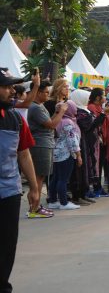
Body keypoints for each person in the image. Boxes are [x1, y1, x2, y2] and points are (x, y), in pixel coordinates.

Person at [0, 68, 39, 293]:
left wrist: (34, 188)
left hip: (9, 192)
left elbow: (23, 153)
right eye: (5, 87)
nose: (11, 91)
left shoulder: (15, 118)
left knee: (6, 245)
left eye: (11, 86)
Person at [25, 80, 64, 218]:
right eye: (46, 92)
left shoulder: (39, 106)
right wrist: (62, 112)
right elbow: (51, 125)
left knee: (39, 177)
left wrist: (57, 112)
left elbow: (48, 122)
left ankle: (35, 207)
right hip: (40, 144)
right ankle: (34, 209)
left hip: (44, 143)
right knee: (37, 179)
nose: (48, 95)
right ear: (39, 92)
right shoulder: (35, 108)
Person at [48, 100, 82, 210]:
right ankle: (64, 202)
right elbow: (72, 140)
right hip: (66, 154)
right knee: (63, 179)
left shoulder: (57, 120)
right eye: (74, 107)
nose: (76, 109)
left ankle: (52, 200)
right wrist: (78, 154)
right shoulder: (68, 122)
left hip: (56, 153)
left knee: (56, 178)